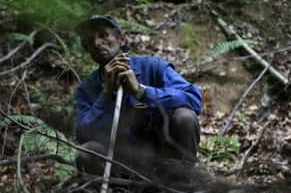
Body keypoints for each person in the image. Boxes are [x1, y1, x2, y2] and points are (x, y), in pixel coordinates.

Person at [74, 14, 203, 181]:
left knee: (185, 116)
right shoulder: (86, 89)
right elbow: (82, 134)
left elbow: (193, 97)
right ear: (88, 50)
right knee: (86, 152)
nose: (97, 43)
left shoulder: (153, 67)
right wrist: (105, 94)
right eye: (90, 40)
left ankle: (182, 180)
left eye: (103, 35)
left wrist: (141, 91)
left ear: (122, 40)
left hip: (164, 160)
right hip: (121, 166)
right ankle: (117, 192)